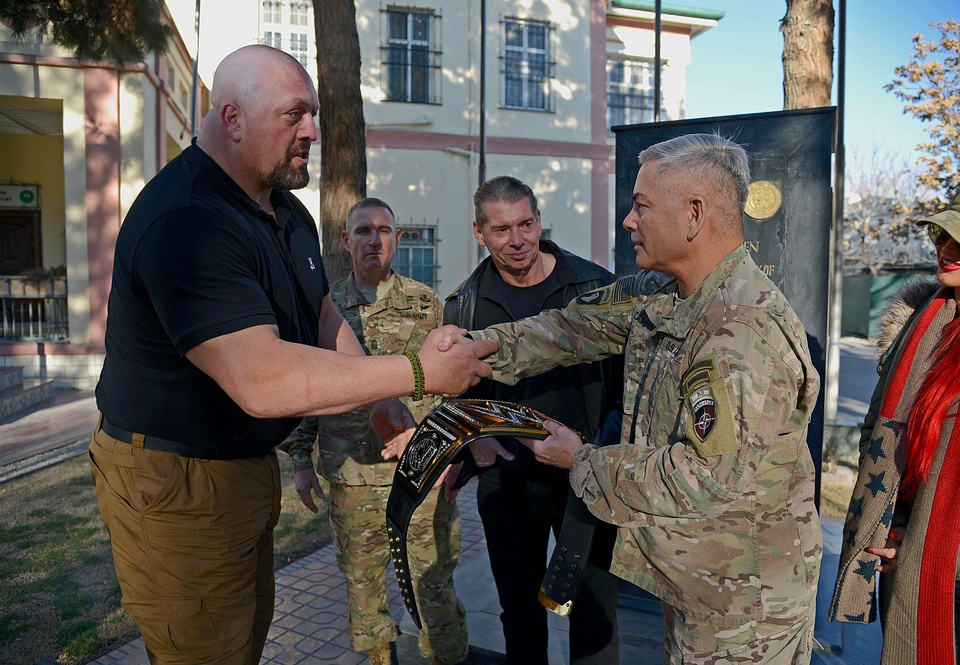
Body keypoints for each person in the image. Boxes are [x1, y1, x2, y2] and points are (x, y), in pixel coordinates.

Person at [89, 45, 495, 665]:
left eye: (314, 114)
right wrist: (417, 372)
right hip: (175, 481)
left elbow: (323, 316)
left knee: (242, 644)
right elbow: (262, 378)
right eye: (295, 115)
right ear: (232, 119)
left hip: (240, 470)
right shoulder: (187, 219)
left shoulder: (284, 211)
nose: (313, 131)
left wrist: (384, 400)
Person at [454, 134, 822, 663]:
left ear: (694, 215)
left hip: (745, 609)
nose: (628, 220)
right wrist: (475, 349)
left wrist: (579, 459)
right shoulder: (668, 295)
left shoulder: (741, 331)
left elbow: (701, 476)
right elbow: (572, 327)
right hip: (699, 581)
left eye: (641, 206)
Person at [443, 175, 622, 664]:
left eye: (526, 224)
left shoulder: (594, 287)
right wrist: (475, 444)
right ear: (479, 233)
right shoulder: (464, 304)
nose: (517, 240)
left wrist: (604, 456)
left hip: (583, 478)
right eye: (501, 230)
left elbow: (626, 388)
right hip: (508, 485)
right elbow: (456, 392)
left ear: (540, 220)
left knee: (593, 611)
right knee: (518, 611)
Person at [282, 197, 467, 665]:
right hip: (353, 481)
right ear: (346, 241)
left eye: (384, 230)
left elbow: (451, 391)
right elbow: (308, 388)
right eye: (363, 231)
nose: (374, 240)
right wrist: (301, 462)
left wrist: (451, 456)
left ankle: (445, 658)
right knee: (364, 592)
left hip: (420, 478)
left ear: (397, 240)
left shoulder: (426, 304)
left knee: (433, 586)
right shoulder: (326, 308)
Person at [830, 170, 960, 664]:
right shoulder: (920, 321)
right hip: (904, 545)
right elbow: (877, 436)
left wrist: (940, 548)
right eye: (944, 232)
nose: (948, 247)